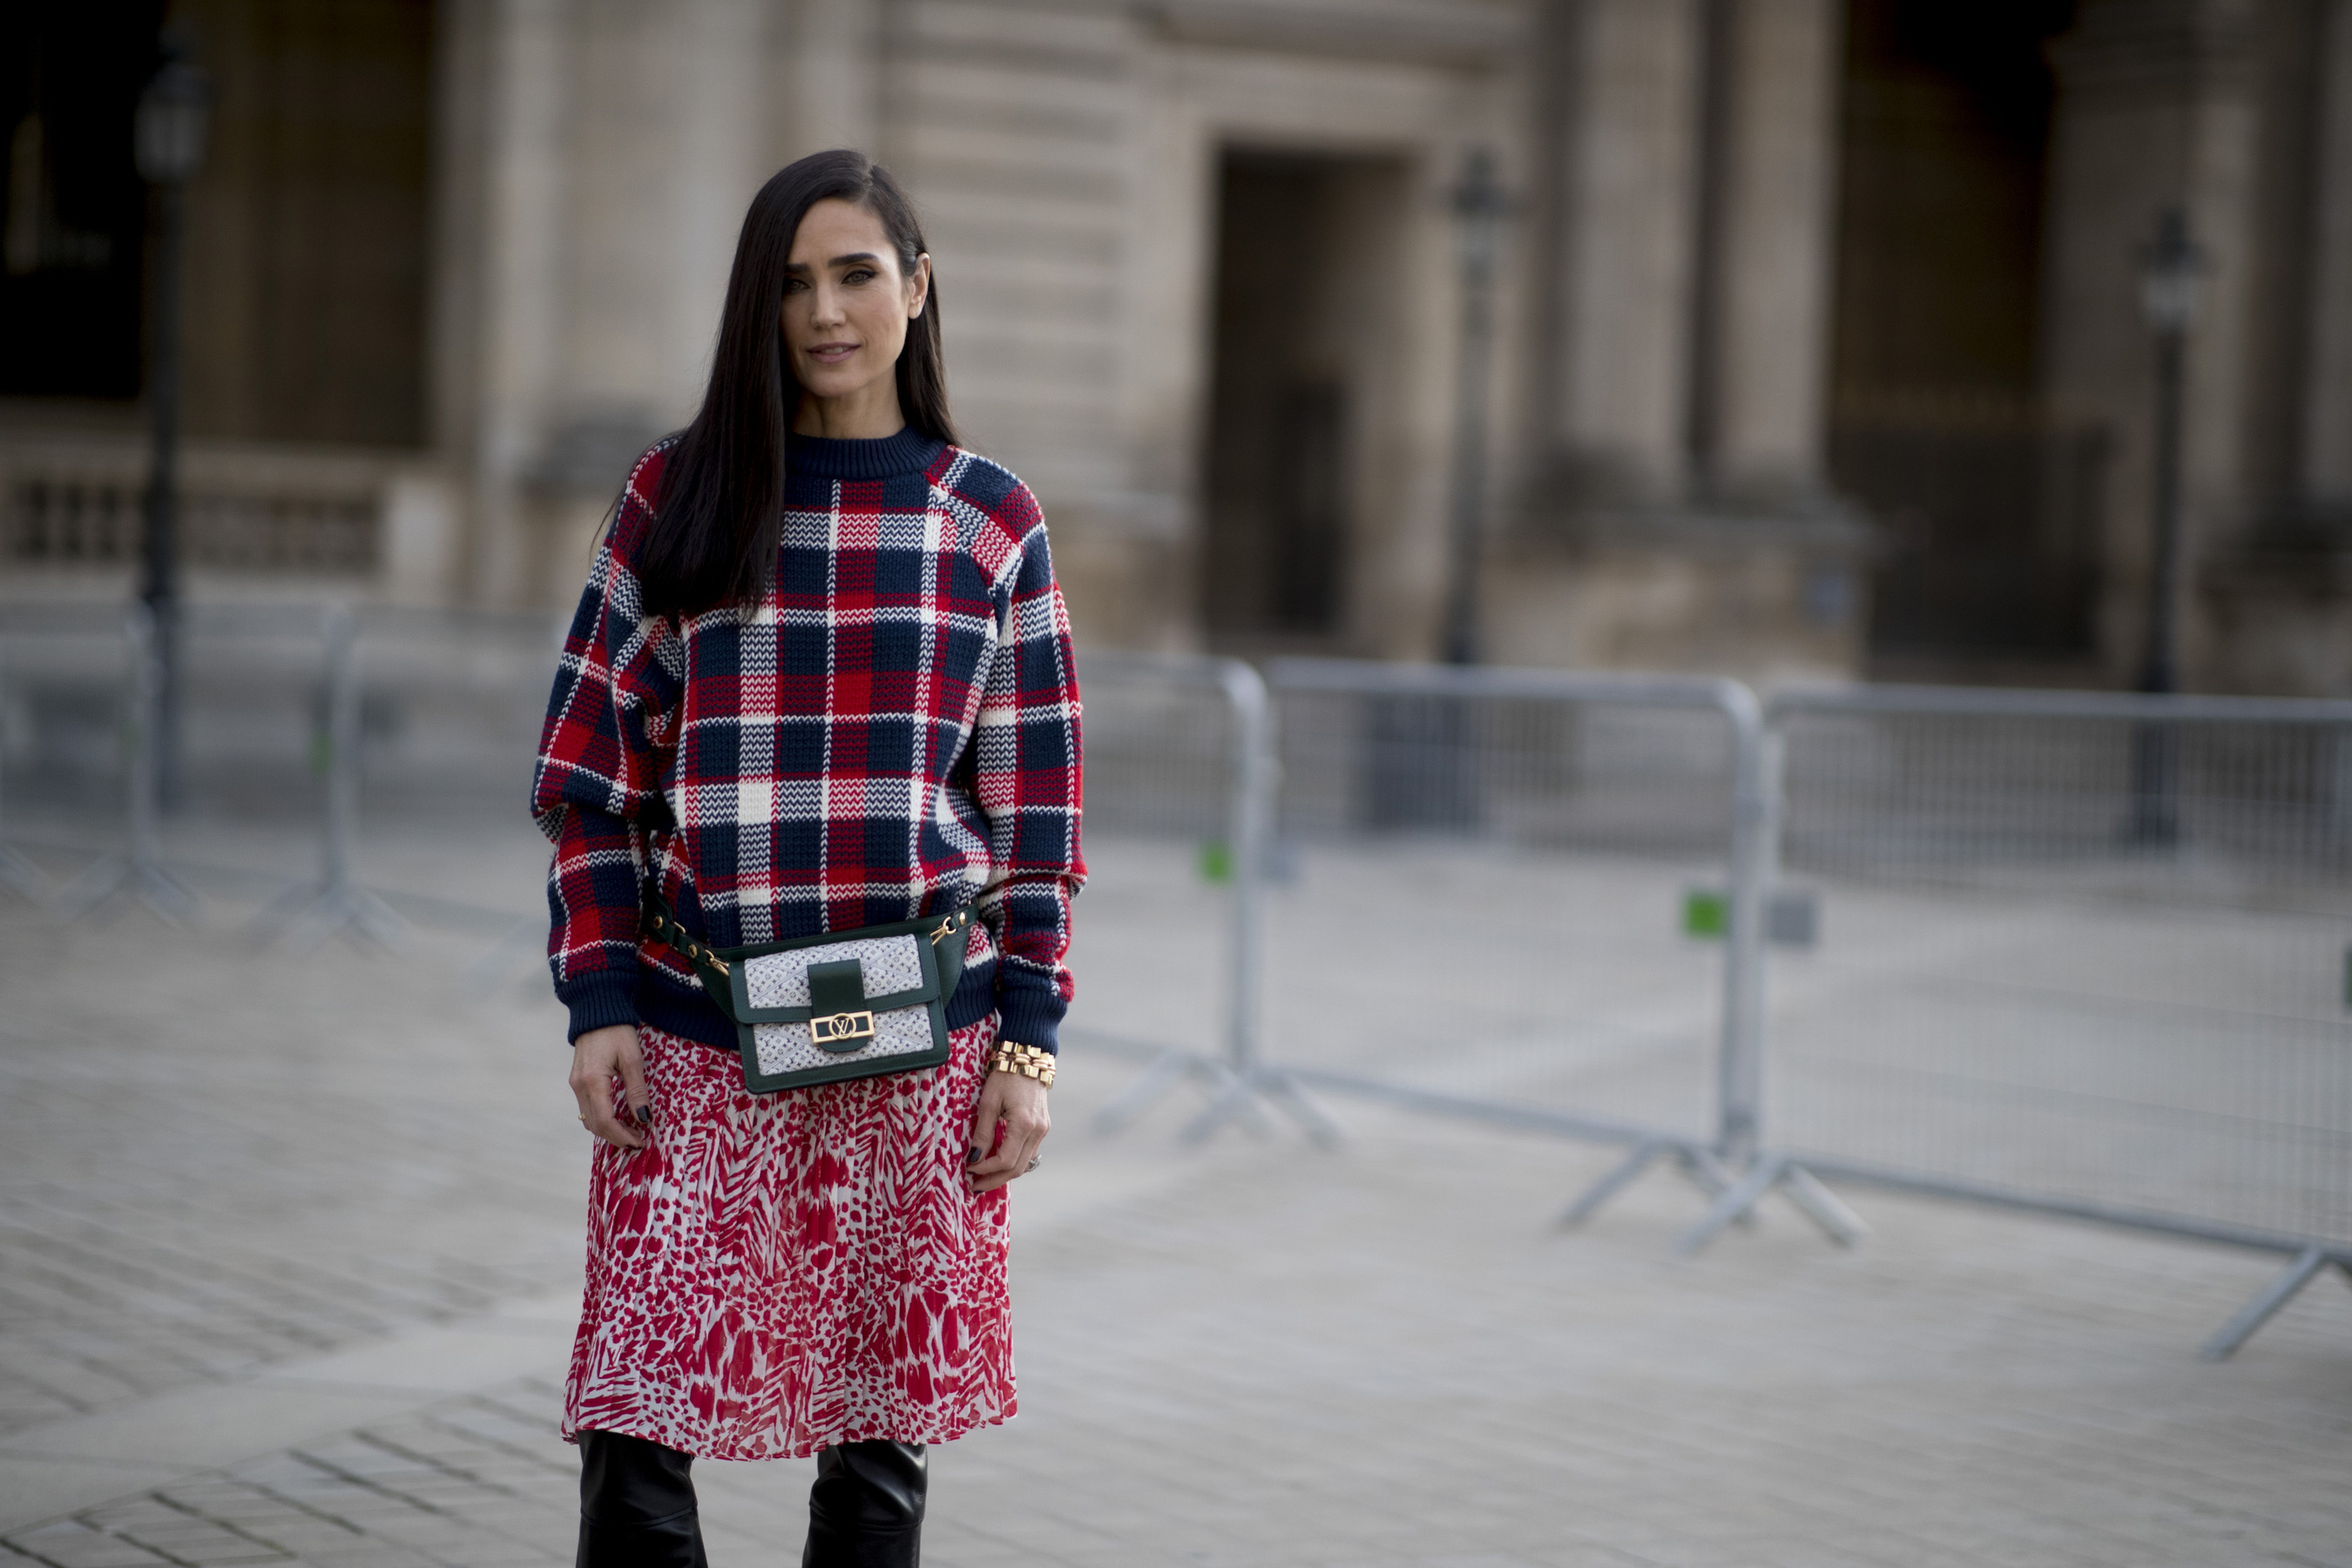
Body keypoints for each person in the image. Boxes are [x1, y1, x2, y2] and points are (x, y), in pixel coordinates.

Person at [531, 149, 1084, 1568]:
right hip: (695, 1030)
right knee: (639, 1419)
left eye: (854, 272)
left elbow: (1037, 825)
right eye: (790, 283)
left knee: (877, 1439)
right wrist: (597, 1006)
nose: (825, 310)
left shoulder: (991, 522)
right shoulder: (678, 496)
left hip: (917, 1037)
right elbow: (589, 781)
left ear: (916, 282)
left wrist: (1028, 1047)